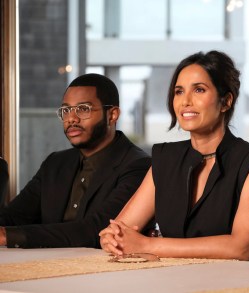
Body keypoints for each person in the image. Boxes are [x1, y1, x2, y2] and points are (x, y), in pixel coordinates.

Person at [99, 50, 249, 262]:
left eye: (199, 90)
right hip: (170, 280)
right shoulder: (165, 158)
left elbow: (240, 248)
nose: (185, 101)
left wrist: (149, 245)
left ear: (226, 101)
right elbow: (120, 230)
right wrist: (111, 239)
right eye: (178, 92)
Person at [0, 73, 151, 248]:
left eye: (83, 109)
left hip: (103, 270)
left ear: (112, 115)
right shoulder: (55, 163)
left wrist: (7, 236)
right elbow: (14, 215)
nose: (71, 118)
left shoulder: (138, 166)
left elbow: (98, 230)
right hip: (44, 265)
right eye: (66, 110)